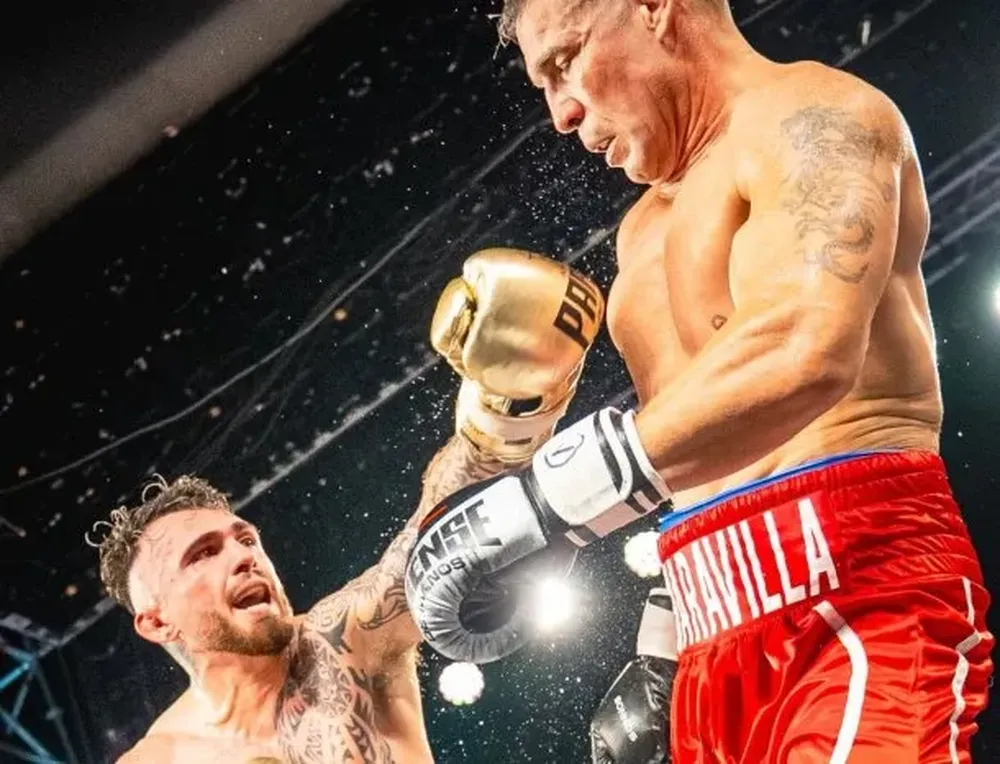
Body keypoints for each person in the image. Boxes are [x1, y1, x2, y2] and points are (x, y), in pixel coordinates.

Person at [403, 0, 995, 761]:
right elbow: (697, 464)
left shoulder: (815, 117)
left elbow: (803, 350)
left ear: (653, 8)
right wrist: (664, 641)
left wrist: (543, 502)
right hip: (710, 629)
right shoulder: (641, 233)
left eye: (566, 62)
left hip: (859, 598)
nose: (560, 113)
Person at [94, 251, 604, 762]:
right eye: (203, 553)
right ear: (157, 622)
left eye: (246, 539)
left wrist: (506, 410)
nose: (244, 556)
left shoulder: (339, 643)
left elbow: (432, 536)